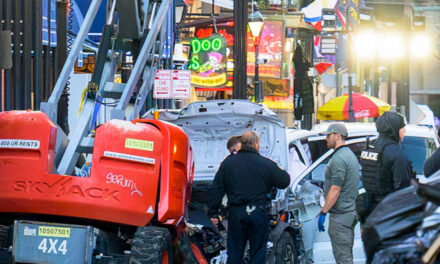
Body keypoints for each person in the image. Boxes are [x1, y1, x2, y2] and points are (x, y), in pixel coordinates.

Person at [208, 131, 290, 264]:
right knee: (257, 252)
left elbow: (216, 189)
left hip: (236, 213)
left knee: (235, 252)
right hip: (258, 213)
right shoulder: (265, 163)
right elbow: (284, 180)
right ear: (256, 143)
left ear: (242, 143)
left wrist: (213, 212)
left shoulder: (227, 163)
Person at [360, 111, 413, 221]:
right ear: (395, 128)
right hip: (390, 213)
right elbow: (403, 187)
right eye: (403, 127)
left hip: (370, 209)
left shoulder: (372, 147)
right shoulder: (395, 153)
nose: (405, 131)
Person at [318, 123, 360, 264]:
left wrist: (324, 212)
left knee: (343, 259)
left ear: (338, 136)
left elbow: (336, 189)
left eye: (328, 135)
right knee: (345, 256)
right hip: (348, 213)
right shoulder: (348, 155)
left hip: (341, 216)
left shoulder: (339, 159)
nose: (326, 139)